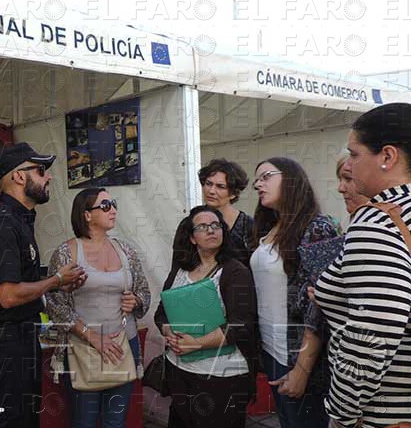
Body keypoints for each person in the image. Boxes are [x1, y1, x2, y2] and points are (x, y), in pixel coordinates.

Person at [0, 142, 86, 428]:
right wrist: (56, 279)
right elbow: (7, 296)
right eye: (41, 170)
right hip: (4, 348)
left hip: (21, 341)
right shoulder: (0, 223)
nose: (49, 177)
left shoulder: (19, 221)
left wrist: (56, 286)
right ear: (19, 176)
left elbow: (23, 284)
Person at [314, 103, 411, 428]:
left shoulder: (376, 222)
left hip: (387, 415)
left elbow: (374, 330)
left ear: (387, 156)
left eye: (355, 155)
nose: (350, 166)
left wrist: (341, 414)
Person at [45, 188, 151, 428]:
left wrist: (135, 301)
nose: (113, 210)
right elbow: (54, 304)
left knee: (116, 422)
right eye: (105, 205)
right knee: (84, 421)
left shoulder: (126, 250)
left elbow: (144, 291)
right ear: (86, 215)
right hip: (83, 348)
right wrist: (92, 336)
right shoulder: (67, 252)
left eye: (113, 204)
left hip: (123, 345)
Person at [251, 157, 338, 428]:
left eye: (266, 176)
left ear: (291, 179)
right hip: (272, 351)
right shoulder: (269, 227)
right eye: (256, 180)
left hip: (300, 359)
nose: (258, 184)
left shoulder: (317, 227)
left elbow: (322, 303)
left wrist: (301, 369)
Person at [155, 205, 258, 427]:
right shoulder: (180, 269)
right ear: (192, 238)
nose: (211, 230)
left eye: (215, 225)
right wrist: (169, 332)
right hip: (180, 371)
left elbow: (241, 325)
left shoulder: (235, 272)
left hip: (221, 377)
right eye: (202, 227)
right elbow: (161, 313)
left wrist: (197, 343)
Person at [173, 158, 254, 269]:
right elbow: (178, 265)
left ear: (233, 194)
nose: (211, 191)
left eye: (220, 186)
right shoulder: (188, 223)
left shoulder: (247, 225)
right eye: (208, 184)